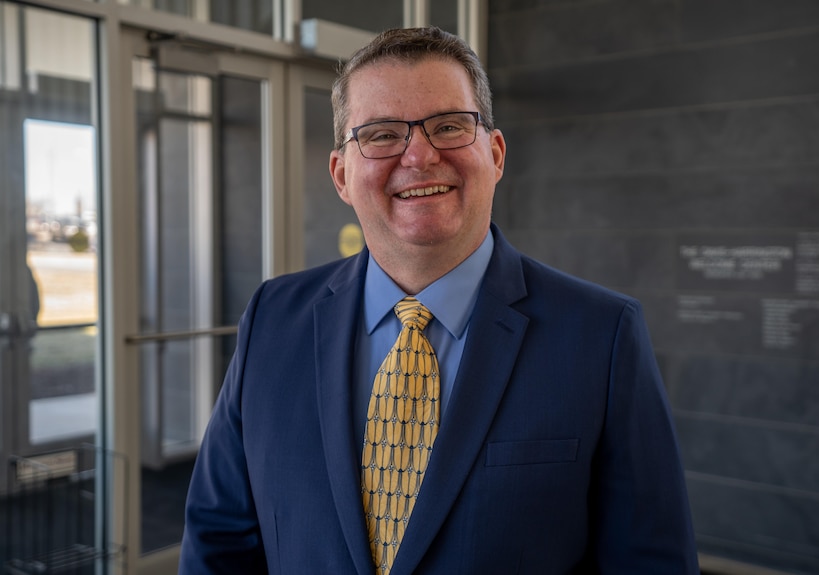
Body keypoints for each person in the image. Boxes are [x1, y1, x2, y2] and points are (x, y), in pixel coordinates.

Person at [179, 26, 699, 574]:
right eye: (381, 134)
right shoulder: (272, 319)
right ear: (340, 174)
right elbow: (218, 541)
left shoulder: (602, 335)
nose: (420, 156)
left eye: (449, 126)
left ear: (495, 154)